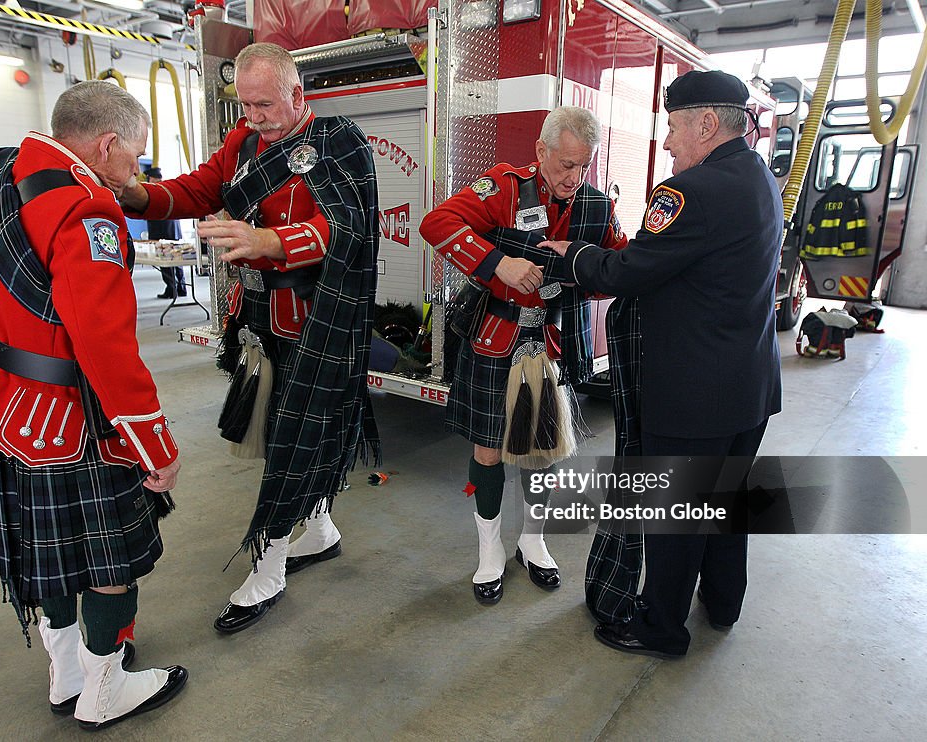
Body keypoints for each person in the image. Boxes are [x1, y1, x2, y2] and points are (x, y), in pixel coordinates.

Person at [119, 42, 380, 634]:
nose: (253, 115)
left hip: (322, 322)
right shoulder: (243, 142)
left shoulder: (341, 142)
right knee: (292, 437)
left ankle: (268, 565)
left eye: (264, 104)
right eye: (245, 104)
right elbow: (196, 189)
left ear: (297, 94)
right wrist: (137, 194)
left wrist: (272, 243)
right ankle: (319, 528)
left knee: (295, 443)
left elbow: (348, 227)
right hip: (263, 322)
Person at [0, 81, 187, 729]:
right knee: (110, 555)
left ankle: (68, 673)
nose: (134, 175)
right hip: (69, 416)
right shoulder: (88, 211)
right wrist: (156, 447)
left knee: (44, 548)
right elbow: (104, 345)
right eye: (135, 158)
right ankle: (104, 689)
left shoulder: (2, 176)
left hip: (3, 404)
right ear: (106, 143)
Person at [543, 70, 783, 657]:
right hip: (748, 387)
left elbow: (629, 271)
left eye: (674, 128)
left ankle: (660, 630)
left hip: (691, 395)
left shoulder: (689, 192)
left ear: (706, 122)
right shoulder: (759, 177)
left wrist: (572, 255)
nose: (669, 143)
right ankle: (723, 604)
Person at [419, 106, 628, 605]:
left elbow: (621, 263)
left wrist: (589, 270)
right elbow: (436, 223)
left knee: (543, 449)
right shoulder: (505, 188)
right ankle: (489, 551)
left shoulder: (597, 207)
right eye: (565, 165)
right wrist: (499, 263)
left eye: (583, 166)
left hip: (551, 343)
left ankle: (531, 542)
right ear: (540, 152)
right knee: (488, 451)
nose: (574, 178)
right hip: (495, 338)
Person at [142, 166, 187, 299]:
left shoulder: (153, 191)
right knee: (178, 258)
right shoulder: (168, 188)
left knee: (165, 260)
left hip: (161, 231)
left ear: (152, 178)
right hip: (174, 230)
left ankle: (171, 288)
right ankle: (182, 287)